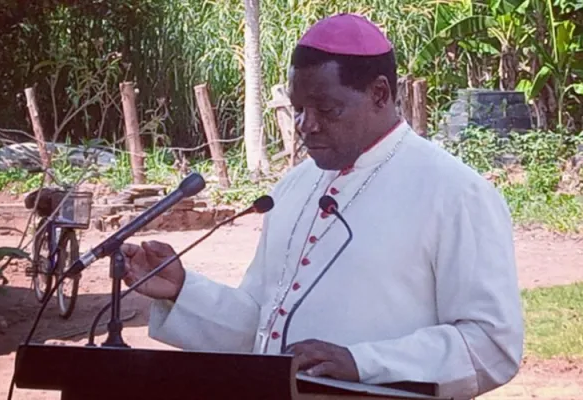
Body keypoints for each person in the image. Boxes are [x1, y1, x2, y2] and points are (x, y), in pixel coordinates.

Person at [121, 13, 523, 400]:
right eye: (298, 109)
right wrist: (182, 291)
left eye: (326, 110)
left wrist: (361, 363)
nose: (305, 125)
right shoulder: (293, 187)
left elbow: (491, 345)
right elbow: (262, 330)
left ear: (379, 94)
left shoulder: (455, 192)